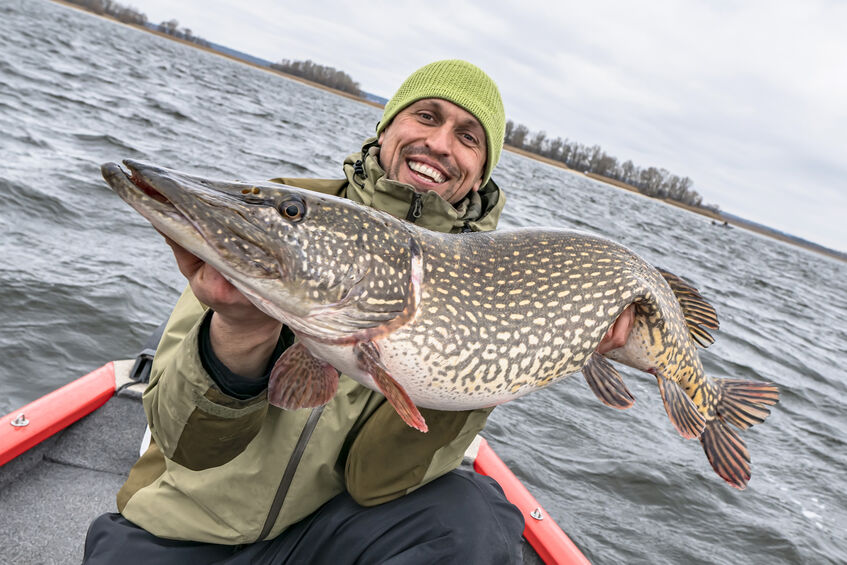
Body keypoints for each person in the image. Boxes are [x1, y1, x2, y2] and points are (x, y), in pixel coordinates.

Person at [83, 59, 633, 564]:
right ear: (387, 127)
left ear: (481, 172)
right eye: (426, 115)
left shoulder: (498, 281)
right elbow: (188, 444)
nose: (441, 144)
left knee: (477, 518)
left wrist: (493, 369)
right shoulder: (286, 205)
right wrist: (238, 328)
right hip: (182, 536)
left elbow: (376, 483)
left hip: (318, 543)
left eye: (468, 137)